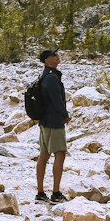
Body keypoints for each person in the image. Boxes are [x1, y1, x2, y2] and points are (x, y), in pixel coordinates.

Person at [35, 47, 68, 202]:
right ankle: (55, 193)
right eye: (54, 55)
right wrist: (65, 115)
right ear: (47, 60)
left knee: (44, 154)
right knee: (60, 153)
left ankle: (40, 192)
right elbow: (57, 100)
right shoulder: (52, 78)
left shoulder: (44, 76)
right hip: (54, 121)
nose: (57, 56)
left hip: (44, 121)